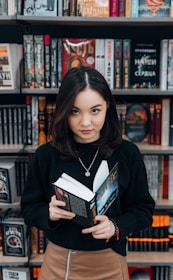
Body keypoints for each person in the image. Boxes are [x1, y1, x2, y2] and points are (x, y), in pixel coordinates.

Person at [21, 66, 155, 280]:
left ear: (107, 108)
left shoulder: (127, 153)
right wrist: (49, 214)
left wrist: (115, 226)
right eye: (75, 111)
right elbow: (28, 209)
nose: (85, 123)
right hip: (59, 263)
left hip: (109, 262)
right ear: (64, 110)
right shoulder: (46, 155)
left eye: (95, 111)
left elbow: (143, 210)